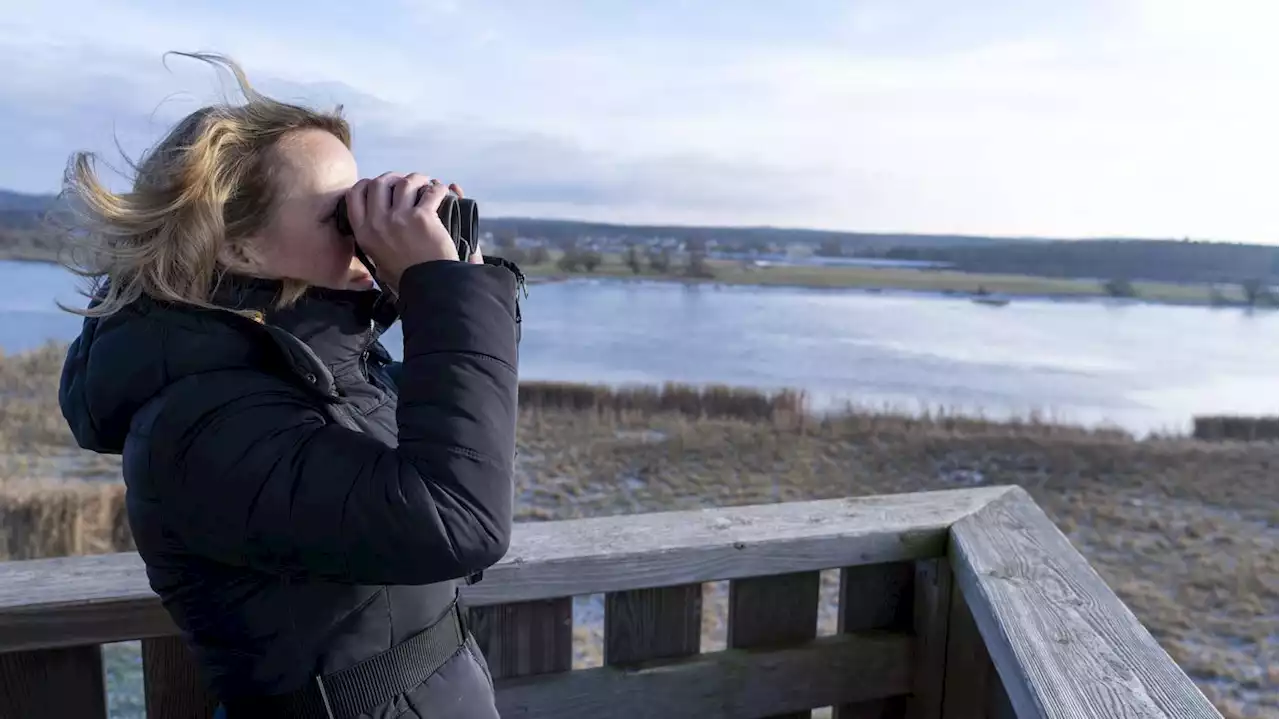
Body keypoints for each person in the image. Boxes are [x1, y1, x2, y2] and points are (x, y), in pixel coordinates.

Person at [56, 53, 519, 718]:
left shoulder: (326, 370)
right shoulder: (201, 426)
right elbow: (460, 520)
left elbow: (462, 434)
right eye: (342, 215)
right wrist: (442, 295)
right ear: (238, 249)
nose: (367, 227)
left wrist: (452, 287)